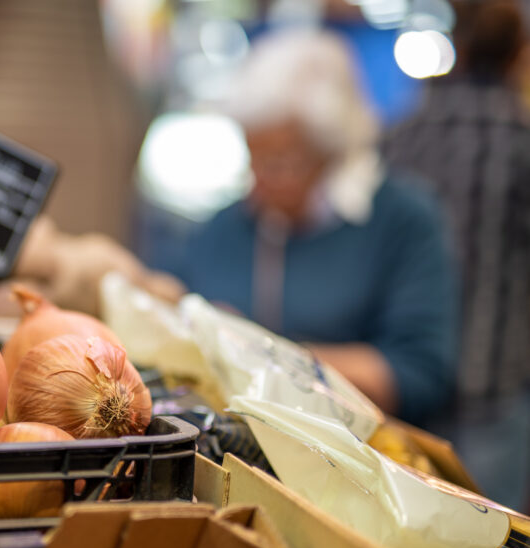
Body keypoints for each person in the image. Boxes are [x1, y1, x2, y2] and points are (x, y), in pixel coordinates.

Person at [150, 28, 459, 428]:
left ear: (330, 150)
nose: (258, 182)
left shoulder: (402, 220)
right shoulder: (227, 226)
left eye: (279, 164)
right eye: (251, 158)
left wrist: (264, 358)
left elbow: (420, 374)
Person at [383, 0, 530, 510]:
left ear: (458, 48)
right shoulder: (521, 139)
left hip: (408, 379)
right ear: (517, 55)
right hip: (495, 382)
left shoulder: (404, 135)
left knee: (408, 547)